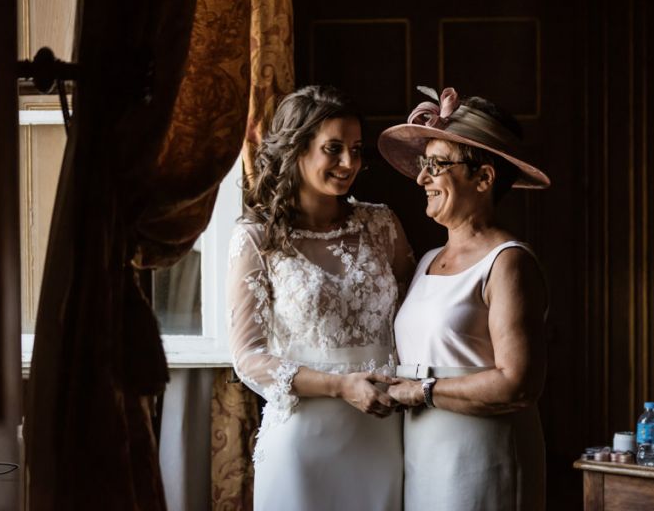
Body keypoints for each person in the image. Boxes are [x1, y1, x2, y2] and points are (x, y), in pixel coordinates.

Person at [226, 85, 414, 510]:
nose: (349, 163)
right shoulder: (256, 238)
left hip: (382, 436)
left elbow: (414, 320)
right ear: (297, 149)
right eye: (334, 149)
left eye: (356, 150)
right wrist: (340, 386)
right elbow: (249, 357)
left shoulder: (382, 225)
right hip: (303, 442)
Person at [378, 87, 551, 510]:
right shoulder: (426, 261)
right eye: (424, 165)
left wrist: (421, 392)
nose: (422, 179)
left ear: (484, 178)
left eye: (436, 165)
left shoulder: (507, 262)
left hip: (483, 456)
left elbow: (518, 384)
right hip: (422, 453)